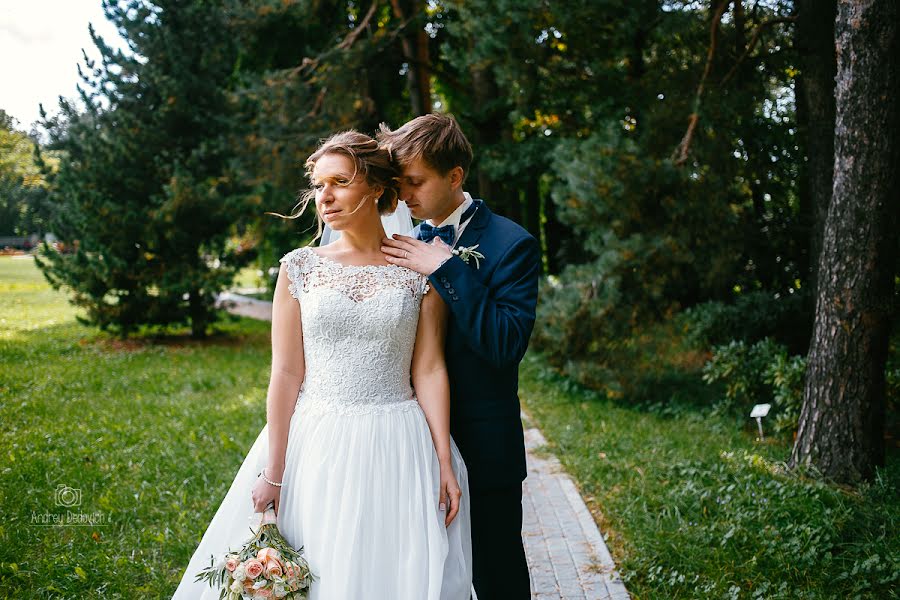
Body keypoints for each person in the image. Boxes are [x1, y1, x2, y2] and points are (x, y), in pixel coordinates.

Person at [171, 131, 472, 600]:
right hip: (318, 442)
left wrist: (442, 461)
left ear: (375, 187)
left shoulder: (417, 269)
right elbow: (286, 373)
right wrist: (274, 470)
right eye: (317, 185)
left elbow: (429, 370)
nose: (324, 197)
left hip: (399, 443)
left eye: (339, 182)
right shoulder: (299, 268)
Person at [379, 114, 541, 599]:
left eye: (416, 182)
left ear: (454, 176)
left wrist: (448, 267)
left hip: (482, 444)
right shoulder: (393, 242)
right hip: (406, 442)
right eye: (399, 183)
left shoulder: (513, 245)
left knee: (495, 573)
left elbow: (505, 345)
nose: (405, 195)